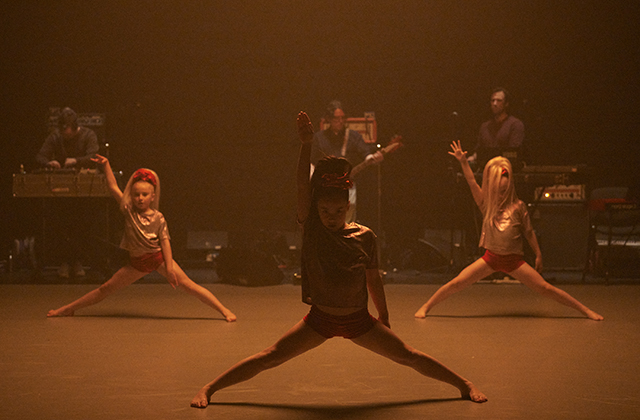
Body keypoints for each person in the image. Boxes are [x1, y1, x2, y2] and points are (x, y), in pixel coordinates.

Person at [190, 112, 487, 408]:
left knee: (408, 355)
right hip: (320, 319)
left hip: (358, 320)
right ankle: (210, 388)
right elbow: (301, 188)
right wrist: (305, 144)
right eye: (324, 211)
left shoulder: (365, 236)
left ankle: (464, 383)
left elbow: (373, 279)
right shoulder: (313, 230)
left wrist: (383, 317)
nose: (330, 217)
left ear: (347, 207)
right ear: (317, 210)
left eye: (336, 211)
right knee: (270, 356)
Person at [414, 141, 603, 321]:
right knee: (457, 282)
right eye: (498, 190)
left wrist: (538, 254)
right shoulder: (486, 205)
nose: (501, 193)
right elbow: (472, 182)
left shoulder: (519, 207)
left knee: (545, 288)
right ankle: (426, 306)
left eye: (504, 190)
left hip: (514, 261)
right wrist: (463, 162)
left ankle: (584, 310)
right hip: (490, 259)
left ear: (510, 187)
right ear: (492, 189)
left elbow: (529, 232)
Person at [47, 154, 237, 322]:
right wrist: (106, 165)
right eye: (136, 194)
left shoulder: (158, 217)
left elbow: (165, 243)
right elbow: (113, 186)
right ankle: (67, 309)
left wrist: (170, 269)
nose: (139, 198)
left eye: (144, 195)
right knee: (105, 289)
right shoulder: (129, 211)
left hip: (157, 259)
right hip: (137, 263)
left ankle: (223, 309)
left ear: (152, 196)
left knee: (189, 286)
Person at [36, 107, 100, 277]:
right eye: (63, 131)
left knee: (81, 225)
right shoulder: (55, 136)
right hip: (60, 191)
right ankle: (64, 262)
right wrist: (50, 162)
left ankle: (78, 262)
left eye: (69, 132)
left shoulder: (88, 135)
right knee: (61, 225)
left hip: (84, 192)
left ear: (76, 127)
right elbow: (40, 156)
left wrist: (76, 161)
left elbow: (94, 156)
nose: (66, 135)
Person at [311, 100, 383, 223]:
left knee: (347, 217)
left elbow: (365, 154)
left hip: (347, 185)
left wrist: (372, 158)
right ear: (328, 119)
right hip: (324, 186)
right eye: (336, 118)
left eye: (342, 118)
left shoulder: (353, 136)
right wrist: (312, 178)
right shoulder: (319, 138)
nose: (340, 121)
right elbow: (311, 161)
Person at [468, 88, 525, 170]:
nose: (495, 103)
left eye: (499, 100)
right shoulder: (485, 126)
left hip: (506, 171)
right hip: (487, 171)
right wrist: (472, 158)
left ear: (506, 104)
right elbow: (480, 150)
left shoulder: (515, 124)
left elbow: (513, 152)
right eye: (492, 100)